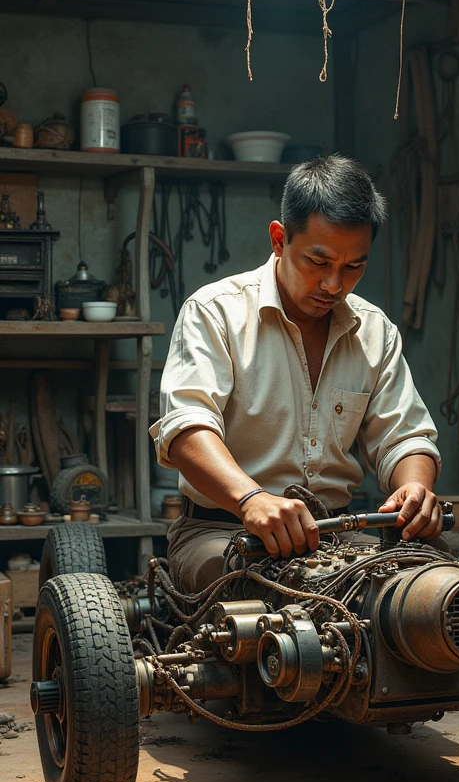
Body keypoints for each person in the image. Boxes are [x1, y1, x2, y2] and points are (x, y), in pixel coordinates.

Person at [150, 155, 443, 593]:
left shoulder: (375, 330)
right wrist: (251, 500)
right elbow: (187, 428)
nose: (334, 285)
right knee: (270, 601)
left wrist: (415, 489)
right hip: (221, 533)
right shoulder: (215, 313)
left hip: (334, 537)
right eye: (318, 262)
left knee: (431, 595)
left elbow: (404, 438)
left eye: (353, 267)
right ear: (279, 239)